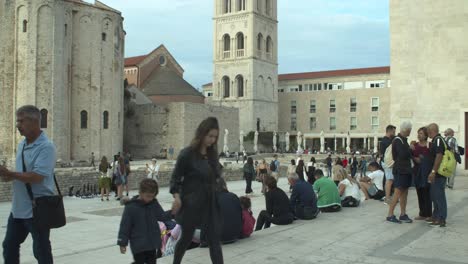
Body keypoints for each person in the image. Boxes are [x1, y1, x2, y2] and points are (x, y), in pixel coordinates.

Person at [0, 105, 57, 264]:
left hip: (37, 208)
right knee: (9, 246)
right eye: (17, 121)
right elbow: (23, 173)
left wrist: (11, 174)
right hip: (18, 208)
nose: (17, 125)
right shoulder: (21, 145)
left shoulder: (46, 147)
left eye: (21, 121)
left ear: (34, 122)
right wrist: (8, 176)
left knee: (41, 250)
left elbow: (37, 176)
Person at [170, 117, 224, 264]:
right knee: (186, 238)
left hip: (209, 203)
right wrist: (177, 197)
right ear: (202, 133)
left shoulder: (212, 155)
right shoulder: (187, 154)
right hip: (191, 203)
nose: (212, 140)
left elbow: (216, 177)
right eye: (210, 136)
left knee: (214, 240)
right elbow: (175, 179)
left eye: (215, 137)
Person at [117, 179, 171, 264]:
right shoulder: (131, 207)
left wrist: (173, 212)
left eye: (152, 196)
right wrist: (122, 243)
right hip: (138, 245)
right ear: (141, 192)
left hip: (152, 243)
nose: (150, 199)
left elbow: (162, 216)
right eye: (148, 196)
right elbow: (125, 226)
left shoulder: (154, 203)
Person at [387, 121, 413, 224]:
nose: (410, 132)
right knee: (397, 192)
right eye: (410, 130)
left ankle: (403, 214)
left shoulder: (403, 140)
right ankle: (390, 214)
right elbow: (401, 155)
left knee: (404, 193)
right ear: (406, 130)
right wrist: (409, 148)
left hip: (406, 170)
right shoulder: (397, 141)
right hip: (400, 170)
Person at [427, 123, 448, 227]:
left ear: (431, 131)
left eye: (428, 131)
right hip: (436, 173)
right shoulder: (435, 140)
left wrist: (433, 172)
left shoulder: (438, 140)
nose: (427, 133)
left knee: (439, 196)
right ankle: (436, 216)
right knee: (434, 195)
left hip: (438, 174)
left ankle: (441, 218)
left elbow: (439, 156)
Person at [411, 127, 432, 220]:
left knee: (427, 193)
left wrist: (423, 159)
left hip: (427, 173)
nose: (419, 135)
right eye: (418, 133)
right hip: (417, 172)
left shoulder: (430, 145)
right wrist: (415, 158)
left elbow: (433, 158)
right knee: (419, 192)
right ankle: (422, 213)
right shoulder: (414, 145)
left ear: (426, 135)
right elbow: (411, 156)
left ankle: (428, 214)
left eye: (421, 133)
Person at [213, 178, 242, 244]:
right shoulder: (233, 196)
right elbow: (240, 215)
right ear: (224, 185)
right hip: (235, 234)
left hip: (220, 236)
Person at [380, 125, 397, 204]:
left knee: (390, 180)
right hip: (388, 163)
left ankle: (389, 197)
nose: (394, 134)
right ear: (389, 131)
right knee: (389, 180)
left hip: (387, 162)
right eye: (393, 132)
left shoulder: (385, 140)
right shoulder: (386, 141)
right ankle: (387, 198)